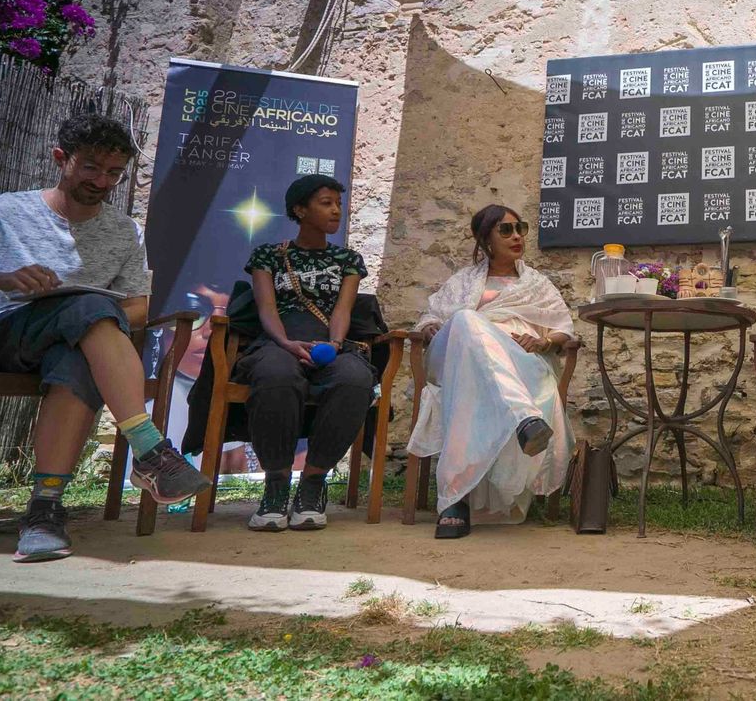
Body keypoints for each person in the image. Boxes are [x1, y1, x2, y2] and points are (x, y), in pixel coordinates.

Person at [0, 112, 210, 562]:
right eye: (91, 166)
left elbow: (140, 306)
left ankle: (44, 512)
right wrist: (7, 279)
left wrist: (98, 312)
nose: (102, 180)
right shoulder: (1, 208)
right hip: (5, 339)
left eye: (114, 172)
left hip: (77, 344)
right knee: (89, 313)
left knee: (80, 347)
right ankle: (149, 447)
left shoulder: (123, 229)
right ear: (60, 158)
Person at [406, 204, 574, 538]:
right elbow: (430, 317)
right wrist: (428, 329)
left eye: (520, 228)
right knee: (467, 320)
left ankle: (455, 499)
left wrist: (543, 342)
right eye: (506, 230)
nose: (516, 236)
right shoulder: (463, 281)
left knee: (470, 386)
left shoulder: (536, 283)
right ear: (485, 239)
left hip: (519, 361)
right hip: (453, 357)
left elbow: (564, 330)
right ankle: (523, 418)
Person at [236, 174, 376, 532]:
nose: (335, 211)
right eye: (326, 203)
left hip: (331, 342)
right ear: (300, 210)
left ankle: (313, 483)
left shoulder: (348, 259)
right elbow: (266, 308)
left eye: (338, 204)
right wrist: (284, 343)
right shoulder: (268, 255)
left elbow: (343, 309)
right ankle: (277, 485)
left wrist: (334, 343)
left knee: (355, 379)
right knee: (275, 376)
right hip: (279, 341)